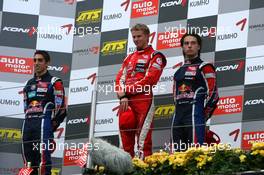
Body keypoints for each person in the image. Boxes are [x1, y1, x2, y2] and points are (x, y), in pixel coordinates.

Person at [115, 24, 167, 158]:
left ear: (147, 36)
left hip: (143, 100)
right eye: (134, 37)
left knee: (143, 140)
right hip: (125, 102)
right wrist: (122, 96)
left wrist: (126, 92)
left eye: (139, 36)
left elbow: (150, 80)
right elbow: (119, 78)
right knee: (125, 139)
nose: (136, 39)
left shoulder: (156, 56)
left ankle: (144, 169)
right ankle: (126, 168)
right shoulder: (129, 57)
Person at [172, 33, 219, 151]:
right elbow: (175, 97)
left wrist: (204, 114)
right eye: (186, 43)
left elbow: (213, 94)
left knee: (196, 152)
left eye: (193, 43)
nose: (189, 46)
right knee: (177, 154)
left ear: (199, 47)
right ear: (182, 47)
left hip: (195, 114)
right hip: (178, 116)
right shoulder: (179, 71)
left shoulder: (205, 67)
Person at [22, 50, 67, 175]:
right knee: (28, 161)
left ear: (47, 63)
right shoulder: (28, 83)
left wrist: (50, 126)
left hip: (44, 126)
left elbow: (61, 109)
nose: (36, 63)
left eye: (40, 60)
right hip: (28, 125)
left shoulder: (55, 82)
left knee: (43, 160)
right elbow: (26, 108)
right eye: (34, 60)